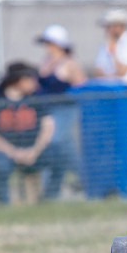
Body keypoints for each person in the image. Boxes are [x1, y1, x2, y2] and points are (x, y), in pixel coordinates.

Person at [0, 62, 72, 203]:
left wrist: (35, 150)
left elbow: (48, 124)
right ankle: (4, 203)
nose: (34, 83)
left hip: (34, 151)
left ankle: (49, 199)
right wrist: (12, 152)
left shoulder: (36, 96)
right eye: (29, 79)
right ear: (17, 81)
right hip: (5, 152)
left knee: (61, 154)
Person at [35, 24, 86, 188]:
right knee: (66, 146)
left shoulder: (70, 63)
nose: (47, 47)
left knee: (53, 141)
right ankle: (84, 179)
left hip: (65, 110)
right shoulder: (45, 62)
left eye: (49, 43)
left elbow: (82, 87)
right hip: (48, 111)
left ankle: (80, 179)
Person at [93, 9, 127, 84]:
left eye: (109, 26)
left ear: (120, 26)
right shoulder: (105, 44)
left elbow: (122, 71)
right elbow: (97, 72)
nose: (107, 30)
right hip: (108, 90)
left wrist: (113, 53)